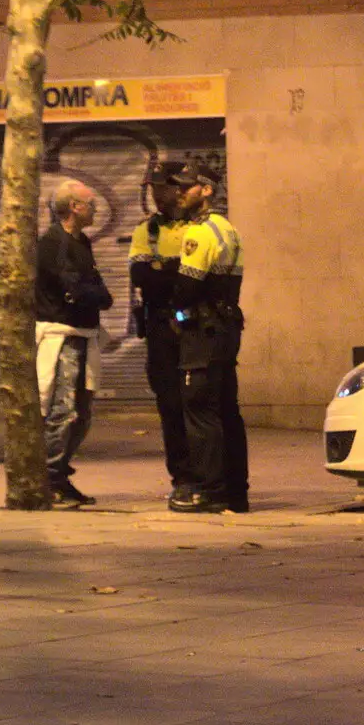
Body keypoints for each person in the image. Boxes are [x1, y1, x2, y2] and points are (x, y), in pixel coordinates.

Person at [167, 164, 249, 514]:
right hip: (226, 329)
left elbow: (187, 286)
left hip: (203, 332)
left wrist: (175, 310)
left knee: (200, 410)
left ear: (206, 191)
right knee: (226, 410)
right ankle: (235, 491)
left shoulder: (198, 233)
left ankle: (208, 490)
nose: (179, 193)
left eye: (186, 187)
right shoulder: (228, 229)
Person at [36, 180, 112, 507]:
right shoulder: (54, 243)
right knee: (63, 409)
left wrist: (93, 295)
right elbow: (76, 289)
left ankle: (61, 472)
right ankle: (50, 479)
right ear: (74, 207)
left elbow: (95, 289)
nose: (95, 209)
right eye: (90, 204)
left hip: (84, 334)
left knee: (83, 412)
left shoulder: (81, 242)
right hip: (62, 336)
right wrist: (91, 295)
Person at [130, 160, 194, 504]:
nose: (155, 195)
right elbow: (141, 278)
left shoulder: (197, 228)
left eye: (161, 187)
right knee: (170, 405)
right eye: (151, 188)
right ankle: (182, 476)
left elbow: (197, 277)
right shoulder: (147, 231)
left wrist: (162, 269)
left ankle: (208, 473)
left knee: (198, 404)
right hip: (160, 329)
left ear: (177, 188)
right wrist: (173, 269)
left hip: (193, 327)